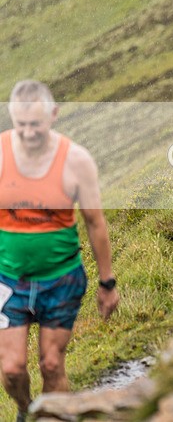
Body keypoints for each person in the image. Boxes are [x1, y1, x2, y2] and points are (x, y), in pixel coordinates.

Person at [0, 80, 119, 422]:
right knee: (12, 369)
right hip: (8, 279)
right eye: (20, 124)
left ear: (53, 115)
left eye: (35, 124)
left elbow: (95, 223)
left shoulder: (76, 160)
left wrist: (107, 283)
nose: (27, 132)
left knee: (52, 365)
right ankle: (25, 410)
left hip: (61, 279)